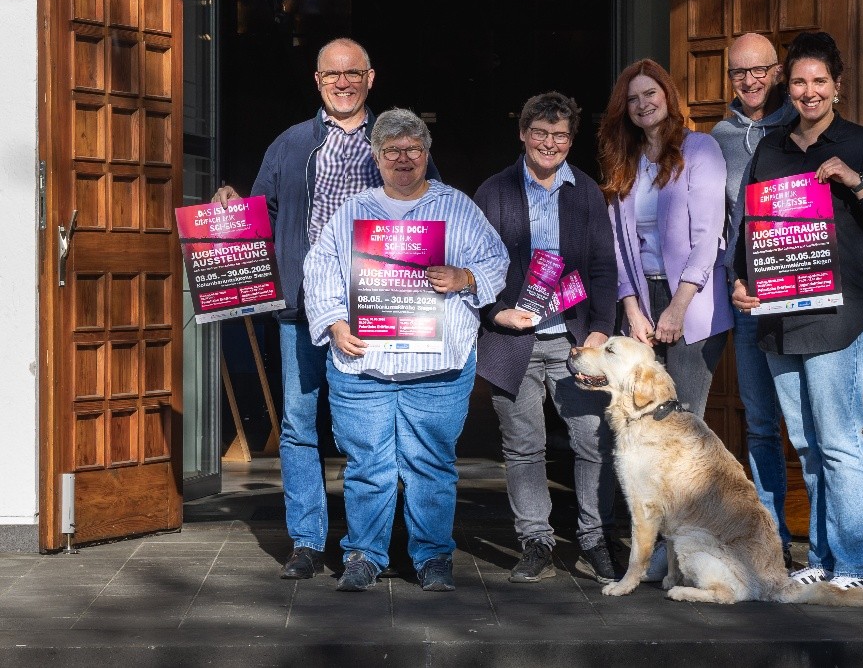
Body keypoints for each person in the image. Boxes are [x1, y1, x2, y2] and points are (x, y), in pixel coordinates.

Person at [213, 37, 438, 580]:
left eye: (352, 73)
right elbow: (259, 212)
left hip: (379, 305)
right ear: (318, 82)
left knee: (377, 430)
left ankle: (375, 543)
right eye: (332, 75)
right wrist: (229, 203)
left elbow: (433, 206)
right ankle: (308, 542)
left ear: (371, 77)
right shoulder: (291, 143)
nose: (342, 82)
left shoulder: (396, 138)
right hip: (301, 308)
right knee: (297, 425)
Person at [303, 108, 509, 592]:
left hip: (438, 366)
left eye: (413, 149)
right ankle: (364, 555)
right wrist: (333, 322)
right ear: (376, 157)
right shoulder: (353, 210)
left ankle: (433, 556)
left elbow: (496, 259)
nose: (403, 159)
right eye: (392, 150)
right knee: (368, 465)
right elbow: (319, 271)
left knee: (431, 465)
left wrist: (467, 277)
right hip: (363, 363)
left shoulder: (457, 207)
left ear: (426, 154)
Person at [732, 31, 863, 592]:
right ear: (790, 84)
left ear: (837, 86)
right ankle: (826, 559)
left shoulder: (861, 144)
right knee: (807, 443)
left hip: (841, 316)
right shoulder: (774, 146)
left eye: (820, 82)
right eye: (801, 81)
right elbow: (751, 225)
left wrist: (853, 181)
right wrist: (742, 280)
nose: (809, 92)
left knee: (839, 441)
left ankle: (861, 566)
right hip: (781, 315)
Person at [475, 92, 619, 585]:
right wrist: (497, 311)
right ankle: (535, 541)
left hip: (576, 341)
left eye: (560, 136)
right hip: (511, 339)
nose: (549, 143)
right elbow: (476, 264)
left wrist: (600, 329)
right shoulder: (493, 191)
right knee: (523, 447)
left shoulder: (586, 193)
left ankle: (595, 539)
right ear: (522, 133)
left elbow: (603, 266)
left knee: (592, 441)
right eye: (540, 133)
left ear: (571, 140)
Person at [597, 59, 732, 419]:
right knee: (638, 414)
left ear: (667, 96)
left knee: (681, 417)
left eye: (650, 93)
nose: (643, 104)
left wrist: (677, 308)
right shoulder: (623, 161)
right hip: (641, 301)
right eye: (632, 99)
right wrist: (632, 310)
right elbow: (617, 244)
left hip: (693, 300)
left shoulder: (701, 149)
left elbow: (708, 236)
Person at [711, 33, 798, 569]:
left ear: (778, 70)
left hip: (802, 300)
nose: (749, 80)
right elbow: (719, 224)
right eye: (739, 72)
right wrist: (733, 279)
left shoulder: (803, 128)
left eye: (759, 69)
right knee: (761, 424)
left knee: (812, 429)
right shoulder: (716, 138)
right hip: (746, 302)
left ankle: (832, 543)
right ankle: (773, 539)